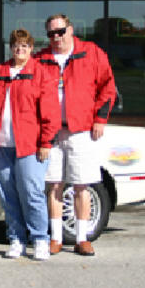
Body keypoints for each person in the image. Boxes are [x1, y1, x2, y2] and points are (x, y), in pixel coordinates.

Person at [0, 28, 60, 261]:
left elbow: (50, 111)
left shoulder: (40, 74)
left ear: (32, 48)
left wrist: (46, 142)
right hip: (1, 147)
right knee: (8, 195)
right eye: (16, 45)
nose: (20, 49)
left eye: (25, 46)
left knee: (31, 193)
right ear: (10, 47)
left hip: (30, 147)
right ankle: (16, 239)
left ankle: (40, 239)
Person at [35, 14, 116, 257]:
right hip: (51, 132)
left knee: (82, 185)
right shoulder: (41, 59)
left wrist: (100, 119)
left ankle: (82, 238)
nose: (56, 37)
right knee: (54, 186)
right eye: (51, 34)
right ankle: (56, 238)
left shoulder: (91, 53)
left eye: (60, 32)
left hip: (81, 131)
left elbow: (108, 87)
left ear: (70, 29)